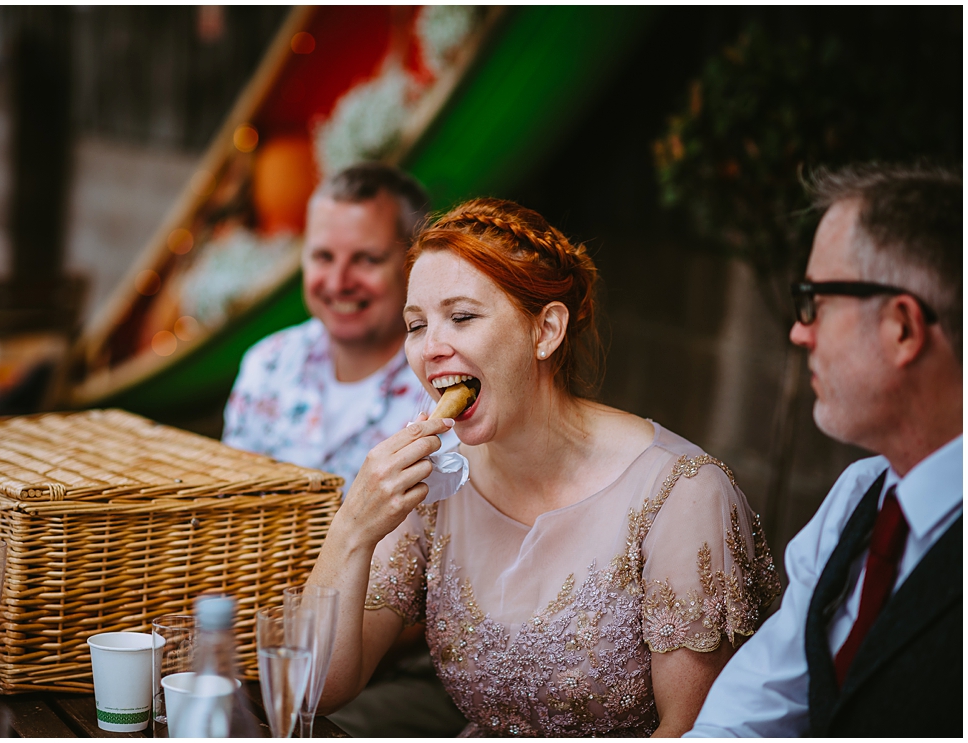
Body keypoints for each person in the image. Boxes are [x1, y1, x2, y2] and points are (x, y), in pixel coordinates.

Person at [306, 197, 781, 736]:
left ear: (546, 331)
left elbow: (694, 730)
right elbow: (317, 690)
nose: (430, 348)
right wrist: (352, 530)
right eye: (416, 325)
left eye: (461, 317)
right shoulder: (436, 479)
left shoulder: (682, 493)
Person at [687, 164, 962, 737]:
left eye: (814, 300)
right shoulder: (860, 498)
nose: (798, 331)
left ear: (903, 328)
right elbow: (755, 708)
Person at [221, 162, 466, 736]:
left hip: (394, 662)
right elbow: (226, 517)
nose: (339, 280)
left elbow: (442, 583)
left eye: (366, 259)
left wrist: (334, 634)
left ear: (412, 269)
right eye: (323, 257)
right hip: (252, 636)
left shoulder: (445, 389)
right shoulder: (266, 363)